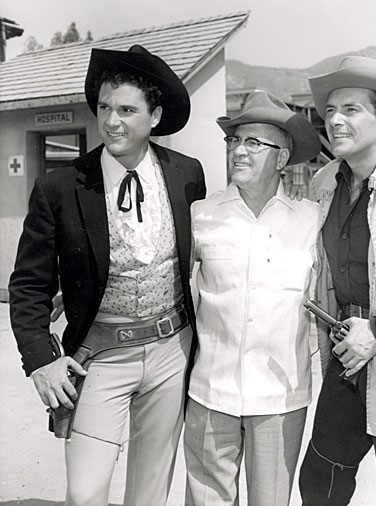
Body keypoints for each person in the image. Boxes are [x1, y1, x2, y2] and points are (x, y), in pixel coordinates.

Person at [9, 45, 205, 506]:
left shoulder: (187, 176)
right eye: (103, 108)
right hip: (99, 357)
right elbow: (29, 285)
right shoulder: (60, 187)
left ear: (155, 116)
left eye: (127, 110)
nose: (112, 121)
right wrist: (41, 359)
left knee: (150, 492)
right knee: (86, 492)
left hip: (171, 353)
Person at [183, 90, 321, 506]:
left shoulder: (310, 220)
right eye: (234, 141)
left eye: (253, 143)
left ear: (282, 159)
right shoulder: (201, 215)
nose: (239, 151)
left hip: (280, 400)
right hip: (210, 392)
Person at [298, 56, 376, 506]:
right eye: (329, 111)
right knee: (319, 485)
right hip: (345, 361)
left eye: (351, 109)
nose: (335, 120)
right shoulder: (323, 182)